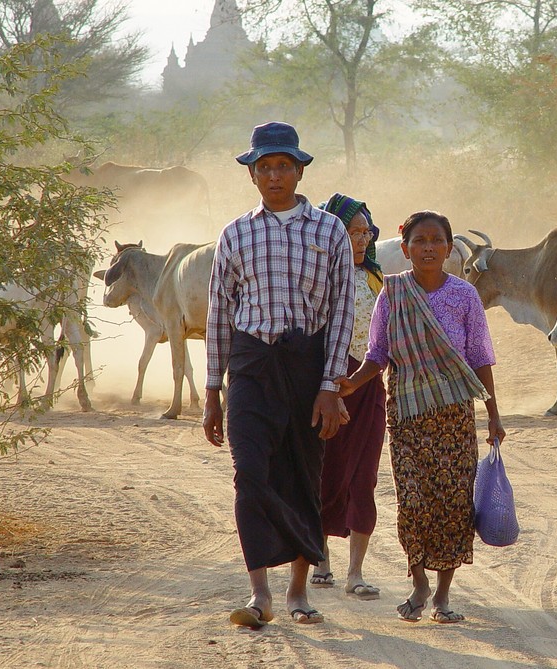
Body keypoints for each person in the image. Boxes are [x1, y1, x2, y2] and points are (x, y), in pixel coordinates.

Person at [202, 121, 355, 628]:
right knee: (249, 473)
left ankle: (297, 592)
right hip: (249, 365)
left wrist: (330, 385)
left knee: (301, 475)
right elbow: (219, 313)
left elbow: (341, 311)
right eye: (263, 167)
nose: (273, 175)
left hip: (307, 368)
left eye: (282, 166)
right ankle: (259, 594)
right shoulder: (236, 233)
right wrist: (211, 390)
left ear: (299, 169)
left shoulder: (328, 230)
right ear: (252, 175)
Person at [338, 210, 505, 624]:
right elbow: (377, 354)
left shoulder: (465, 296)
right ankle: (418, 584)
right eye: (419, 241)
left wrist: (494, 416)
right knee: (413, 502)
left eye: (436, 241)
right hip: (408, 416)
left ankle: (443, 596)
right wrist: (351, 384)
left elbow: (480, 359)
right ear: (405, 247)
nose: (428, 248)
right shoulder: (392, 294)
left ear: (449, 248)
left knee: (452, 504)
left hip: (455, 417)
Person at [309, 193, 387, 601]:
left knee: (365, 477)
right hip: (327, 388)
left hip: (369, 387)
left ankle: (356, 572)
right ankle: (321, 558)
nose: (360, 239)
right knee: (326, 472)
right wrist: (330, 387)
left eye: (365, 231)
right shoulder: (319, 277)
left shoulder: (377, 279)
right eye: (351, 231)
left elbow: (386, 338)